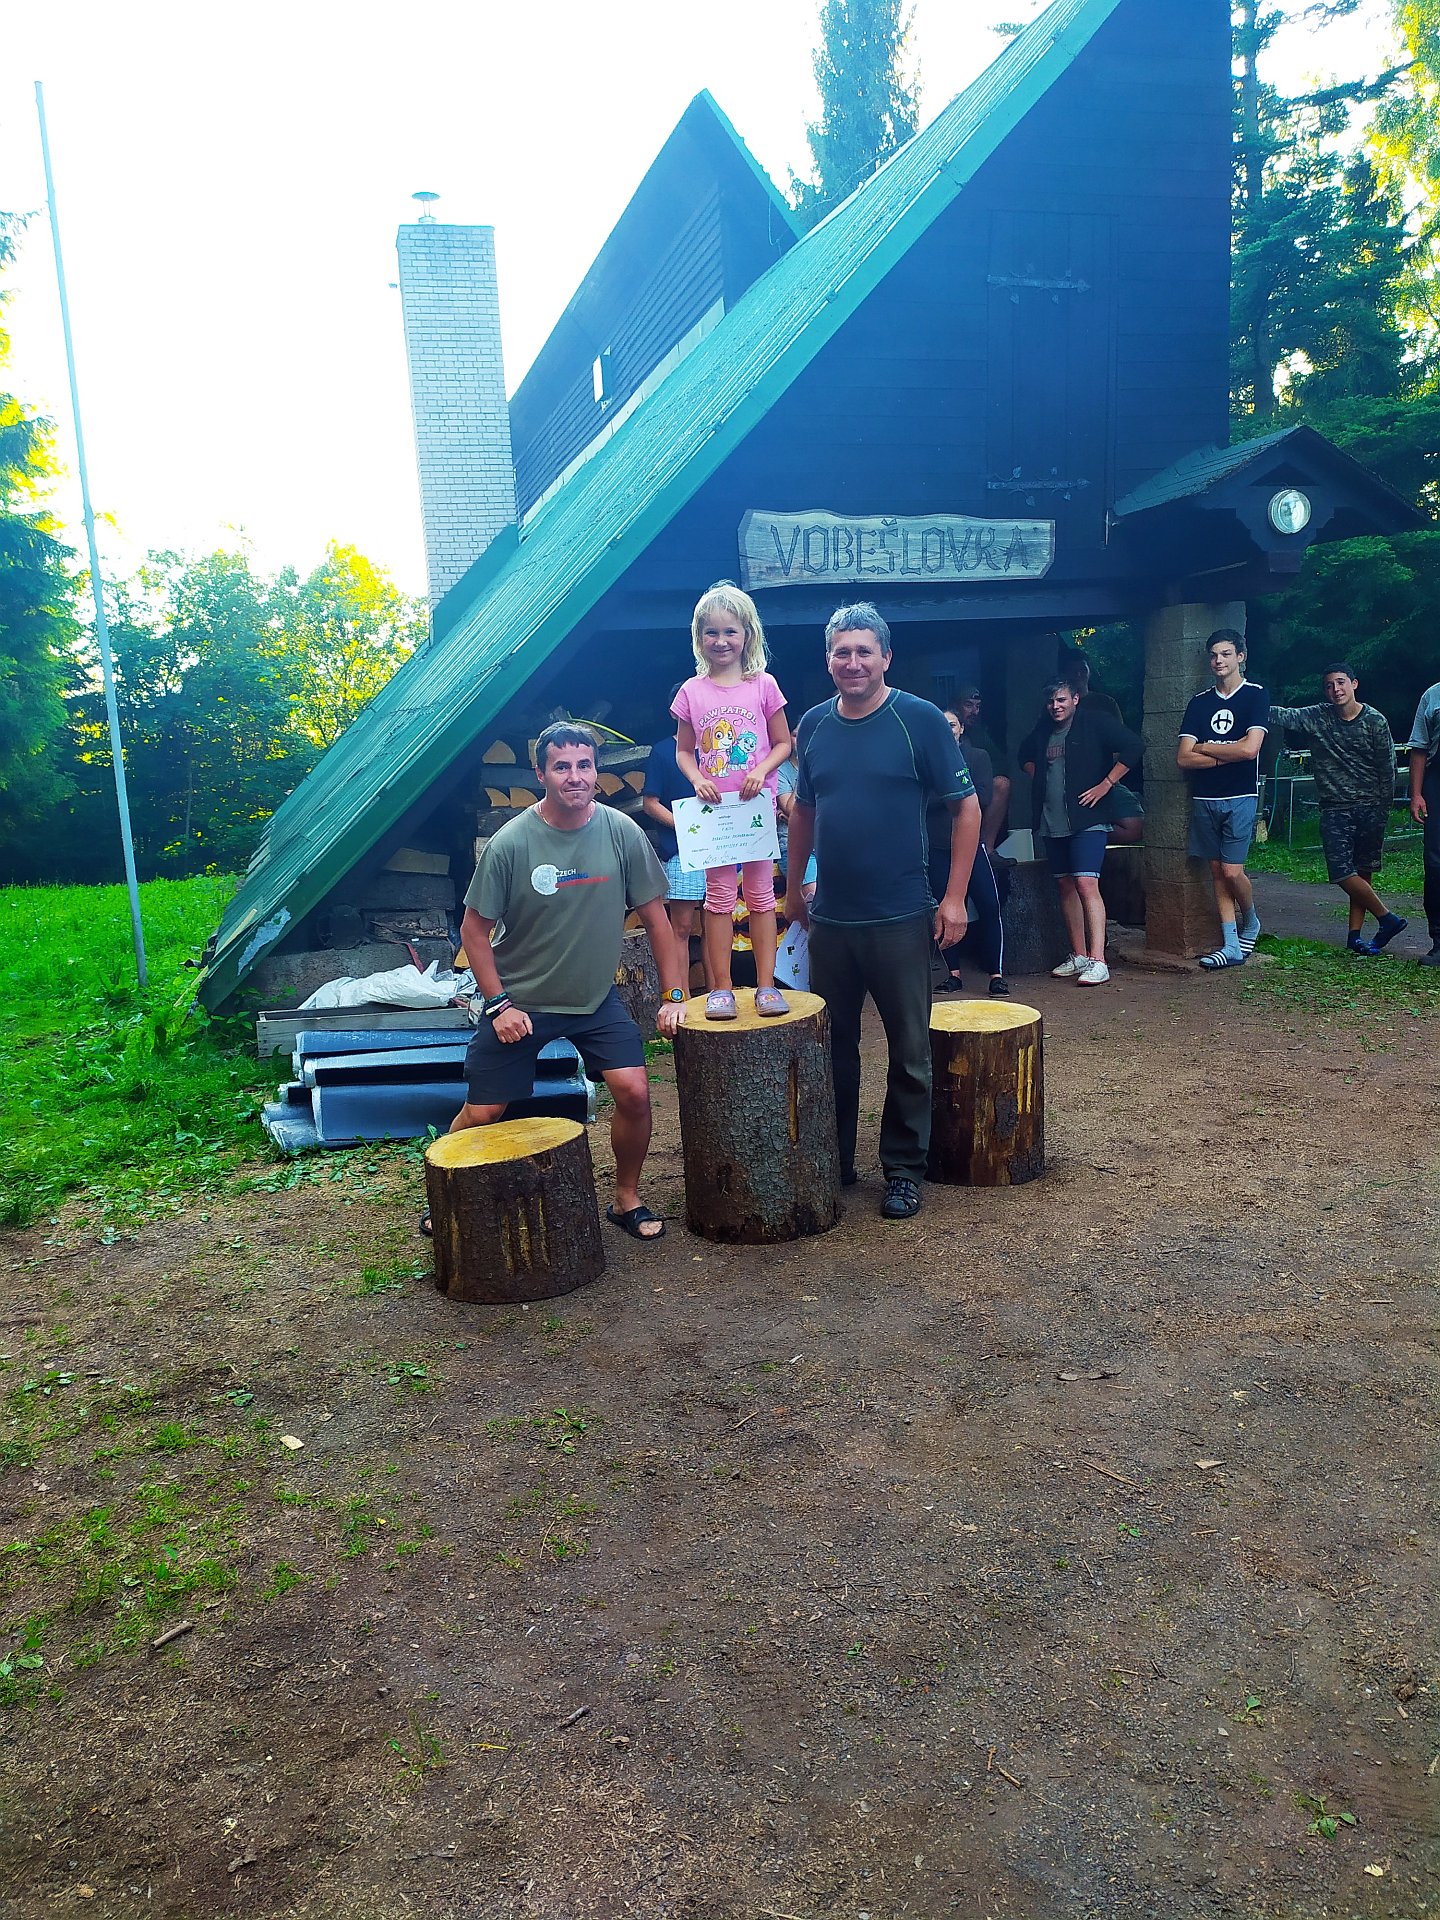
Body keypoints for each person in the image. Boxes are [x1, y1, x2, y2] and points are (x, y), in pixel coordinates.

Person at [432, 722, 686, 1243]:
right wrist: (499, 1005)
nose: (575, 776)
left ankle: (626, 1198)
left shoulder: (621, 832)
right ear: (541, 774)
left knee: (635, 1092)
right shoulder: (511, 843)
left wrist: (675, 995)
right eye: (562, 766)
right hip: (521, 1001)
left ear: (596, 771)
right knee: (483, 1111)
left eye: (584, 765)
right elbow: (474, 931)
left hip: (593, 999)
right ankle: (444, 1196)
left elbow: (658, 921)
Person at [785, 603, 980, 1221]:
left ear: (886, 657)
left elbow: (966, 808)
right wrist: (793, 887)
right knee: (833, 1047)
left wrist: (954, 897)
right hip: (832, 919)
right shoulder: (813, 725)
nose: (853, 663)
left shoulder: (918, 719)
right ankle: (837, 1160)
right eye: (842, 652)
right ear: (828, 660)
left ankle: (902, 1170)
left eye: (864, 651)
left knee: (910, 1049)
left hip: (900, 914)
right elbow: (803, 812)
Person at [671, 583, 793, 1020]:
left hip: (753, 810)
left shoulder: (763, 685)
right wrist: (697, 778)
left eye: (730, 632)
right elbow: (684, 751)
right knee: (719, 897)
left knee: (761, 896)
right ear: (699, 636)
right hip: (715, 814)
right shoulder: (692, 691)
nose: (721, 641)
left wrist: (761, 771)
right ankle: (721, 988)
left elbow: (782, 742)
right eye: (711, 632)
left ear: (747, 635)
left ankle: (766, 985)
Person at [1270, 664, 1407, 955]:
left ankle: (1354, 936)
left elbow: (1388, 768)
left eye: (1341, 682)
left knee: (1363, 871)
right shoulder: (1318, 716)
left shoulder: (1375, 720)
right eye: (1330, 685)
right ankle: (1387, 919)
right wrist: (1246, 699)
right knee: (1341, 871)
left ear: (1354, 684)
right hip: (1335, 807)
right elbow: (1283, 715)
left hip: (1371, 806)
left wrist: (1384, 807)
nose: (1336, 689)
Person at [1016, 680, 1143, 986]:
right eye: (1051, 702)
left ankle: (1099, 960)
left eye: (1061, 700)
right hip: (1052, 820)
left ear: (1075, 699)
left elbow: (1134, 746)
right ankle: (1080, 955)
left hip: (1089, 819)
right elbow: (1024, 756)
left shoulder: (1095, 723)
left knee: (1086, 883)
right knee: (1065, 885)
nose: (1056, 706)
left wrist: (1106, 784)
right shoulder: (1044, 729)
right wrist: (1040, 778)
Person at [1176, 630, 1270, 970]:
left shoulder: (1255, 695)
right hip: (1205, 797)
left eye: (1226, 654)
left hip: (1240, 795)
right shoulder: (1199, 703)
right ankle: (1230, 944)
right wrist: (1224, 755)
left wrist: (1205, 747)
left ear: (1240, 657)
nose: (1219, 660)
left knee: (1232, 871)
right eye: (1214, 655)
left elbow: (1250, 750)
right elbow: (1184, 758)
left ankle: (1252, 921)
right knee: (1216, 871)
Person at [930, 708, 1009, 995]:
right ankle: (953, 974)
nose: (947, 729)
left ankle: (996, 975)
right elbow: (924, 801)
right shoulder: (927, 760)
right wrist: (959, 795)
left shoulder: (977, 756)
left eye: (952, 725)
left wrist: (944, 794)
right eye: (942, 725)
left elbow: (984, 796)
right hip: (937, 846)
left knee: (989, 906)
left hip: (971, 846)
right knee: (943, 909)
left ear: (961, 728)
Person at [641, 697, 710, 991]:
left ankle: (718, 993)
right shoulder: (662, 751)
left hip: (720, 849)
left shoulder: (717, 749)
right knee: (681, 927)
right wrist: (683, 826)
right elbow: (650, 803)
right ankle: (684, 1000)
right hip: (682, 852)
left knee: (717, 924)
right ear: (674, 712)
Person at [1058, 654, 1145, 845]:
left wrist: (1107, 778)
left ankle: (1088, 836)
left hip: (1107, 778)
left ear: (1089, 671)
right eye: (1073, 671)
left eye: (1082, 669)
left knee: (1135, 825)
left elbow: (1125, 744)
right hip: (1068, 782)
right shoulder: (1056, 707)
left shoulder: (1105, 703)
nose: (1078, 674)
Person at [1405, 676, 1440, 967]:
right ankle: (1439, 942)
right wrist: (1416, 794)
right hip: (1436, 784)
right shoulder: (1433, 696)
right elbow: (1419, 747)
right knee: (1436, 864)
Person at [953, 686, 1011, 854]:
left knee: (1002, 784)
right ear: (956, 705)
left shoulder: (978, 733)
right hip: (948, 792)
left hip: (976, 789)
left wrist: (980, 773)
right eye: (968, 705)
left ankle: (986, 849)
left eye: (977, 706)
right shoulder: (943, 729)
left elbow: (1001, 761)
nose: (974, 711)